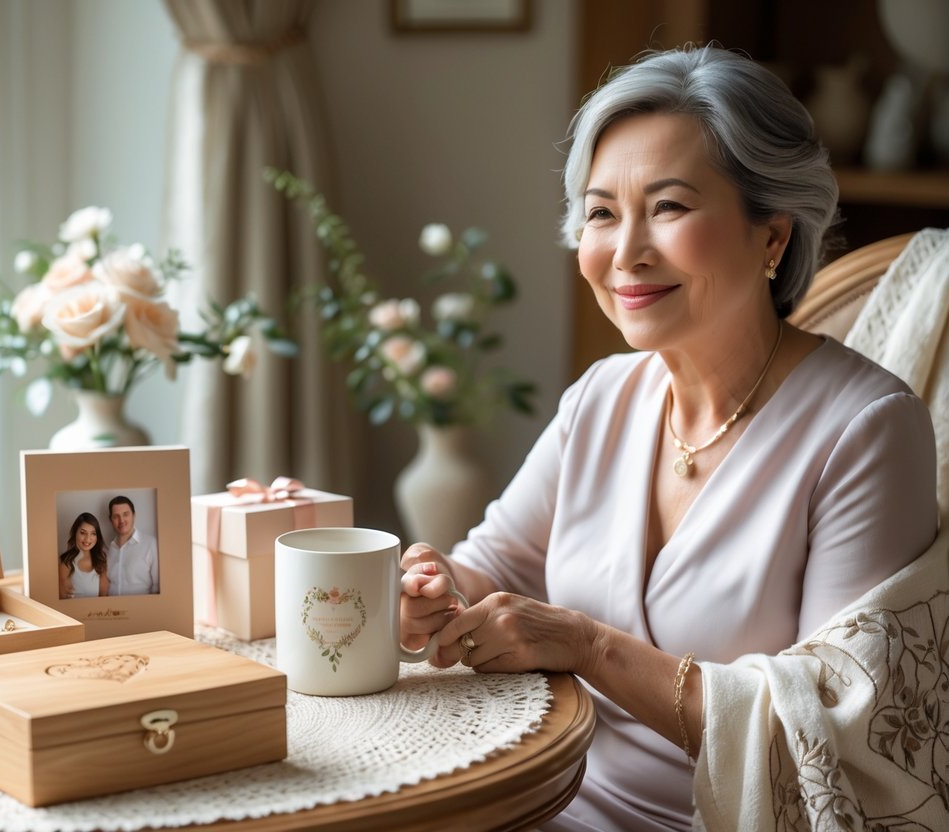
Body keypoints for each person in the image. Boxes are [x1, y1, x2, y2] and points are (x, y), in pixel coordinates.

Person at [399, 46, 939, 832]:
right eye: (600, 212)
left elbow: (831, 733)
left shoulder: (867, 431)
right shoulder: (601, 398)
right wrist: (429, 589)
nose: (624, 254)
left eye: (670, 206)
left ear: (772, 239)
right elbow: (492, 569)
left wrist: (587, 646)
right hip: (538, 799)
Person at [105, 495, 160, 595]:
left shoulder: (151, 544)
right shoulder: (107, 549)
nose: (121, 520)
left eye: (125, 514)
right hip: (112, 609)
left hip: (141, 609)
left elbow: (157, 587)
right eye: (116, 516)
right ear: (111, 520)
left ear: (134, 515)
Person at [57, 512, 109, 599]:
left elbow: (103, 599)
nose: (87, 539)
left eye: (93, 533)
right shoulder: (65, 563)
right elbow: (63, 600)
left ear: (97, 536)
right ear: (75, 533)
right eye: (83, 533)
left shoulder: (102, 562)